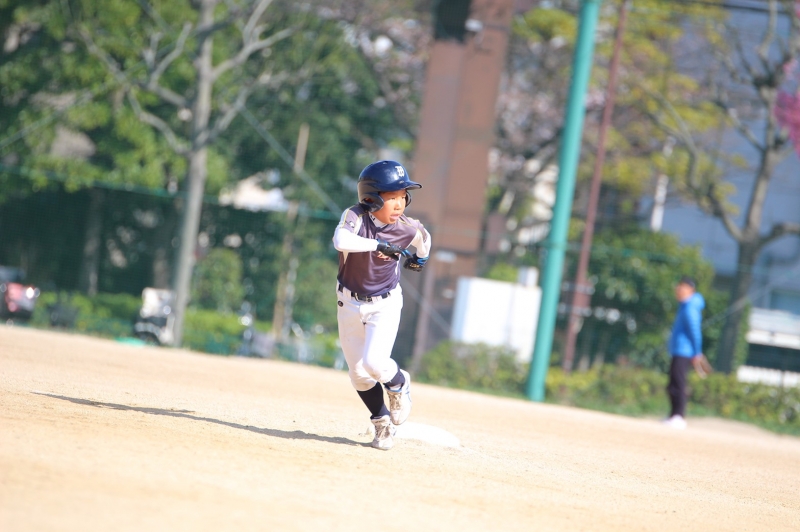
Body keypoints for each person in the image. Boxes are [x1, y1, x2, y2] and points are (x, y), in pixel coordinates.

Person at [332, 160, 432, 450]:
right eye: (392, 197)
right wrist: (378, 245)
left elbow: (424, 240)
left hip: (384, 304)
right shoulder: (355, 216)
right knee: (358, 374)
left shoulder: (407, 227)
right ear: (371, 199)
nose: (400, 204)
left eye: (403, 196)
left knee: (374, 363)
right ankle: (381, 422)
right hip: (348, 302)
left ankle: (398, 383)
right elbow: (341, 240)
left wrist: (420, 259)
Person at [663, 276, 707, 429]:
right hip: (678, 350)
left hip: (684, 351)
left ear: (690, 289)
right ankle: (673, 414)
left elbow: (695, 331)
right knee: (672, 384)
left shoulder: (690, 307)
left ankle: (679, 416)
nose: (678, 289)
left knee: (679, 383)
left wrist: (697, 352)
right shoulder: (684, 306)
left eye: (681, 286)